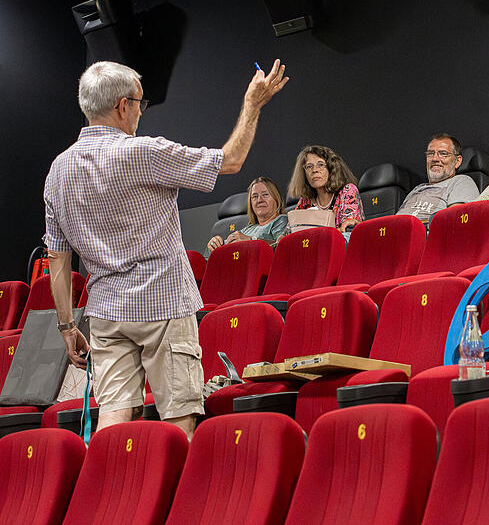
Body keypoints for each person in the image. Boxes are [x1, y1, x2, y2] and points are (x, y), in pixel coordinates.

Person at [44, 59, 288, 439]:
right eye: (140, 103)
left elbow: (57, 259)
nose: (141, 111)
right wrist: (252, 105)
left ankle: (114, 495)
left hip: (106, 312)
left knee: (113, 422)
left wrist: (66, 325)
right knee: (179, 418)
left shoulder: (56, 172)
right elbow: (232, 160)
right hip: (163, 303)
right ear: (122, 106)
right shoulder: (143, 152)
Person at [397, 134, 479, 220]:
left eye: (443, 154)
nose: (435, 159)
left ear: (457, 161)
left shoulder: (461, 181)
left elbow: (456, 221)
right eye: (430, 154)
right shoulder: (417, 189)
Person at [288, 145, 365, 233]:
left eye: (320, 165)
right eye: (309, 166)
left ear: (331, 168)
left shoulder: (348, 191)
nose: (314, 170)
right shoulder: (305, 201)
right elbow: (289, 230)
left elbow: (347, 229)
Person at [206, 176, 288, 253]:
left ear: (276, 199)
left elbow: (281, 247)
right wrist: (216, 245)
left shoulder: (281, 220)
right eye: (255, 196)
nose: (259, 200)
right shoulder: (247, 229)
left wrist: (251, 240)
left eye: (265, 194)